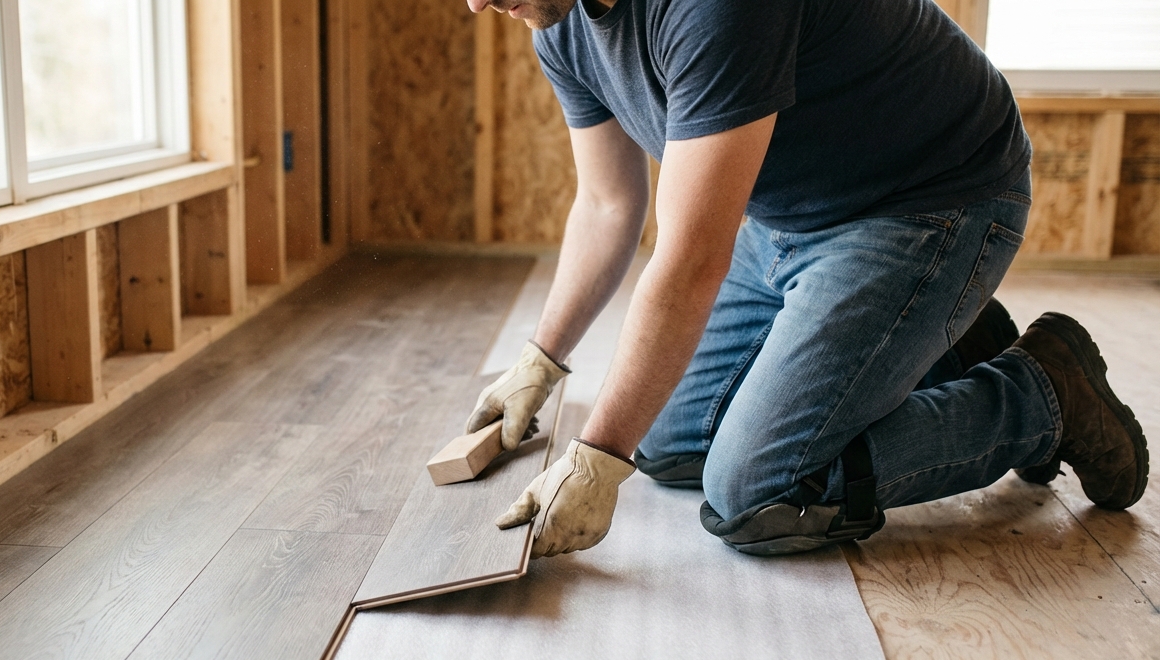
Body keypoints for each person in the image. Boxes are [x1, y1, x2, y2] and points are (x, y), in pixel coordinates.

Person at [463, 0, 1149, 557]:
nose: (476, 3)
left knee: (759, 493)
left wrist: (595, 459)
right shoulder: (559, 21)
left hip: (926, 204)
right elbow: (608, 203)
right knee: (666, 446)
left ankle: (1047, 394)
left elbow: (692, 258)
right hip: (784, 217)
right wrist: (541, 359)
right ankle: (949, 338)